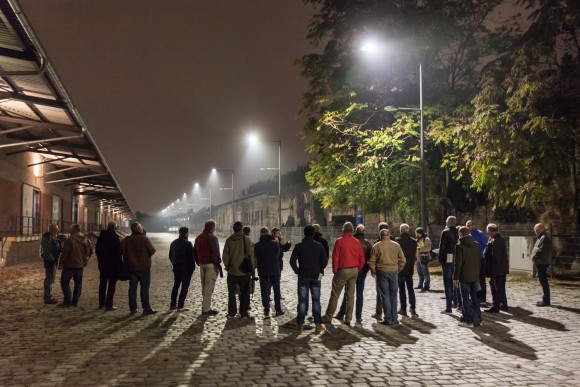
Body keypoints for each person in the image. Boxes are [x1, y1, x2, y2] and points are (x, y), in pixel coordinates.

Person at [321, 222, 365, 326]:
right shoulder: (357, 242)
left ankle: (328, 316)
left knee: (335, 294)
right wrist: (358, 269)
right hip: (354, 270)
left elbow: (335, 257)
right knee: (350, 295)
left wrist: (335, 269)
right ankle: (348, 318)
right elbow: (362, 258)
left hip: (342, 269)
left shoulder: (339, 241)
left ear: (343, 230)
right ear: (352, 230)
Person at [290, 225, 328, 333]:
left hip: (303, 276)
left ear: (304, 233)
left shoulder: (299, 246)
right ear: (314, 234)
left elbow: (292, 261)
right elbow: (324, 261)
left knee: (302, 301)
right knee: (316, 301)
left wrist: (297, 270)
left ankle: (300, 324)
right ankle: (318, 325)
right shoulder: (319, 246)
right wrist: (320, 269)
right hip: (316, 276)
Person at [335, 224, 372, 323]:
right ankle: (358, 316)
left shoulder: (353, 242)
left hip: (351, 268)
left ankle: (341, 313)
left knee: (348, 293)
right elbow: (369, 259)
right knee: (359, 294)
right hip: (362, 271)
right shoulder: (368, 244)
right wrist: (365, 270)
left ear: (355, 231)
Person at [369, 228, 406, 325]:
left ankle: (388, 318)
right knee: (393, 295)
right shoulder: (396, 245)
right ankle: (394, 318)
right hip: (394, 272)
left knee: (385, 296)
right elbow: (403, 260)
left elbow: (371, 261)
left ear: (380, 236)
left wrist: (373, 271)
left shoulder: (376, 246)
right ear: (389, 235)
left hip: (382, 271)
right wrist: (398, 269)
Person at [122, 222, 157, 315]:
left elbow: (120, 251)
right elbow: (152, 251)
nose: (142, 229)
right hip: (144, 268)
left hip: (131, 268)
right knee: (144, 289)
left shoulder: (126, 239)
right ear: (138, 229)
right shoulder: (144, 239)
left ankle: (133, 309)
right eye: (140, 227)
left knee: (132, 289)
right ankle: (146, 308)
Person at [223, 221, 254, 318]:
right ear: (241, 229)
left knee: (231, 293)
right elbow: (251, 255)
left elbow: (225, 256)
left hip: (232, 271)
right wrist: (251, 268)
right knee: (245, 293)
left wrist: (228, 266)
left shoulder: (229, 240)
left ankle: (232, 312)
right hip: (244, 271)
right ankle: (243, 312)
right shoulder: (247, 239)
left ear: (233, 229)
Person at [453, 226, 482, 328]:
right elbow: (478, 260)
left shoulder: (459, 246)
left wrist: (455, 277)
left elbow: (458, 263)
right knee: (475, 298)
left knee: (465, 298)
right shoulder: (477, 245)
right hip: (474, 275)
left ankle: (469, 320)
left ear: (460, 234)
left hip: (464, 276)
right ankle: (478, 318)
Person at [59, 224, 92, 307]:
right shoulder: (86, 239)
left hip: (70, 265)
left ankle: (67, 300)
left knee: (64, 282)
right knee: (78, 283)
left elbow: (65, 253)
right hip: (80, 265)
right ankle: (75, 301)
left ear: (73, 230)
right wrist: (85, 259)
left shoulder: (69, 240)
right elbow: (91, 251)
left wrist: (61, 263)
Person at [193, 219, 222, 316]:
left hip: (202, 264)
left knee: (204, 286)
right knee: (209, 287)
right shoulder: (212, 237)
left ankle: (206, 306)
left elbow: (194, 251)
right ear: (212, 227)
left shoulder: (198, 237)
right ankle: (206, 309)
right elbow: (216, 252)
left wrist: (198, 261)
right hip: (210, 264)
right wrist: (216, 263)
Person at [254, 227, 283, 318]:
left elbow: (256, 256)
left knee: (264, 291)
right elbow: (279, 255)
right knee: (276, 290)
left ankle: (266, 310)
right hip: (274, 269)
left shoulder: (257, 245)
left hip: (263, 270)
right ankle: (278, 309)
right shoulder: (275, 243)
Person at [95, 221, 122, 311]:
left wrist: (100, 260)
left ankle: (101, 303)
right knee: (111, 285)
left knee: (102, 284)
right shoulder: (115, 238)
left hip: (103, 264)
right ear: (115, 228)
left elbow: (97, 251)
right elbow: (119, 253)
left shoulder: (101, 237)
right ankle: (109, 304)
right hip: (113, 265)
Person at [483, 223, 509, 313]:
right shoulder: (496, 239)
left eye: (488, 231)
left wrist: (493, 270)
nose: (487, 232)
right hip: (499, 269)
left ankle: (496, 306)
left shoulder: (496, 241)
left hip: (497, 269)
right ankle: (503, 305)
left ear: (490, 231)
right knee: (500, 288)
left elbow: (496, 257)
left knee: (496, 288)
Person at [169, 226, 196, 312]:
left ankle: (172, 304)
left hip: (176, 267)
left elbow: (170, 256)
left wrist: (174, 263)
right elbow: (192, 257)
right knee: (184, 286)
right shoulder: (188, 243)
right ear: (186, 233)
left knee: (176, 285)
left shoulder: (173, 243)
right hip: (186, 268)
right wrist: (192, 268)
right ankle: (180, 306)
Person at [396, 224, 418, 316]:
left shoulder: (397, 241)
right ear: (408, 230)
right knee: (410, 289)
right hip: (410, 268)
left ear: (401, 230)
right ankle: (412, 308)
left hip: (400, 268)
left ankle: (403, 308)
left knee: (402, 290)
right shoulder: (414, 241)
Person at [438, 216, 459, 313]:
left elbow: (442, 247)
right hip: (458, 257)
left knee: (447, 282)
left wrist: (440, 259)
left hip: (447, 258)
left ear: (448, 222)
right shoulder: (459, 231)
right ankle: (457, 302)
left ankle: (448, 306)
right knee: (457, 280)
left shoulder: (445, 232)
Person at [466, 220, 489, 305]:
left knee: (481, 279)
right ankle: (475, 297)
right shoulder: (468, 235)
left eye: (469, 225)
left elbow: (486, 244)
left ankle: (482, 298)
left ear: (474, 225)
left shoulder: (479, 233)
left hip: (480, 259)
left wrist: (483, 255)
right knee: (474, 279)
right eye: (467, 225)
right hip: (471, 260)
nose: (468, 227)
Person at [371, 222, 390, 320]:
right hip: (393, 271)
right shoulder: (395, 242)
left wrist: (373, 270)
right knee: (390, 293)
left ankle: (379, 313)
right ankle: (390, 313)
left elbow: (372, 259)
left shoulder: (376, 243)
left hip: (380, 270)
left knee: (380, 293)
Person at [40, 223, 62, 305]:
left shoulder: (53, 238)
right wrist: (52, 259)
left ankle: (49, 296)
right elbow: (45, 251)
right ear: (50, 229)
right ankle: (48, 297)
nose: (56, 231)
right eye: (55, 229)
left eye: (57, 229)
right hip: (50, 262)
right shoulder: (46, 238)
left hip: (53, 261)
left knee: (50, 279)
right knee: (49, 279)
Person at [532, 223, 552, 307]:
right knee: (543, 281)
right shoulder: (541, 237)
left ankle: (546, 300)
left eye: (538, 229)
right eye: (535, 230)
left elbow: (541, 250)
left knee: (543, 281)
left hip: (542, 262)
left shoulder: (544, 238)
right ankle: (545, 299)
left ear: (542, 229)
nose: (536, 231)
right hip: (541, 262)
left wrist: (535, 257)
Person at [415, 227, 432, 292]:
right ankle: (420, 284)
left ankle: (426, 285)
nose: (416, 234)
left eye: (417, 233)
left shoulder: (426, 239)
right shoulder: (418, 239)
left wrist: (420, 249)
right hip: (418, 257)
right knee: (419, 272)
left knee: (425, 272)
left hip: (424, 256)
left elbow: (429, 248)